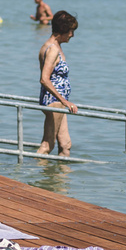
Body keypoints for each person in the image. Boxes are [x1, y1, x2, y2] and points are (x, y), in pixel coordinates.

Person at [35, 10, 79, 156]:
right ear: (63, 30)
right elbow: (44, 79)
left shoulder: (54, 46)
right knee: (47, 145)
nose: (72, 35)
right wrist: (64, 101)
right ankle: (30, 174)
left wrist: (64, 101)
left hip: (58, 101)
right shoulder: (52, 49)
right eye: (71, 31)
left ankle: (59, 179)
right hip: (54, 101)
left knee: (65, 145)